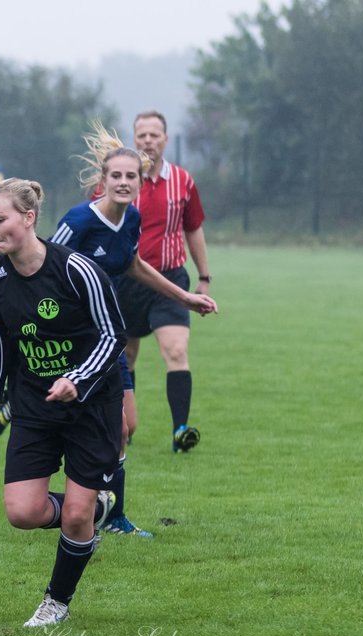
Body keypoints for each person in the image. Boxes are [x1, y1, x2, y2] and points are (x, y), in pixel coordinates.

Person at [50, 123, 218, 536]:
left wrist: (186, 297)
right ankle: (91, 507)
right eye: (117, 176)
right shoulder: (78, 221)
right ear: (103, 182)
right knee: (99, 428)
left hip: (110, 336)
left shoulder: (132, 219)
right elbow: (48, 272)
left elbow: (133, 265)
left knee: (127, 426)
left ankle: (112, 515)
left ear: (140, 182)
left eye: (131, 177)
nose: (124, 183)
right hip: (78, 342)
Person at [0, 178, 124, 628]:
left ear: (29, 217)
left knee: (74, 516)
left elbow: (114, 335)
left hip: (90, 405)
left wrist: (76, 379)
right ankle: (96, 510)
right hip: (34, 406)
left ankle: (55, 601)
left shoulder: (76, 270)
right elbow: (2, 341)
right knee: (23, 513)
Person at [116, 110, 214, 452]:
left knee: (175, 350)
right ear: (134, 138)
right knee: (125, 358)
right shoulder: (120, 181)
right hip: (125, 280)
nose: (147, 141)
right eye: (141, 135)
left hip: (170, 280)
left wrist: (203, 277)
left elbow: (193, 228)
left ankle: (180, 432)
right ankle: (123, 429)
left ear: (165, 140)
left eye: (154, 135)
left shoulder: (182, 181)